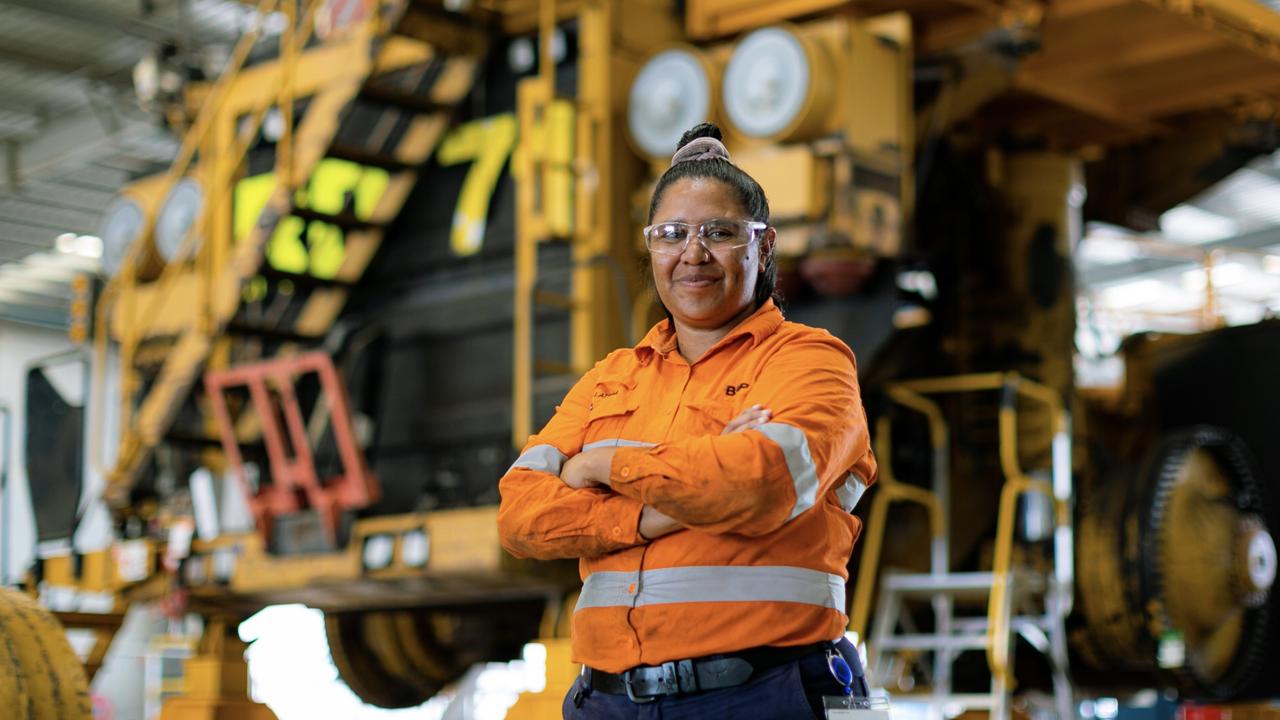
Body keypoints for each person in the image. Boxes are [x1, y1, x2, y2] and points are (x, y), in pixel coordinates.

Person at [497, 122, 877, 719]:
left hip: (770, 693)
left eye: (719, 232)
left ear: (764, 246)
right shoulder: (610, 378)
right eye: (671, 234)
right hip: (607, 701)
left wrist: (602, 465)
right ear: (651, 248)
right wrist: (658, 510)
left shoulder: (812, 360)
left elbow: (758, 484)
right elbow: (520, 517)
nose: (692, 253)